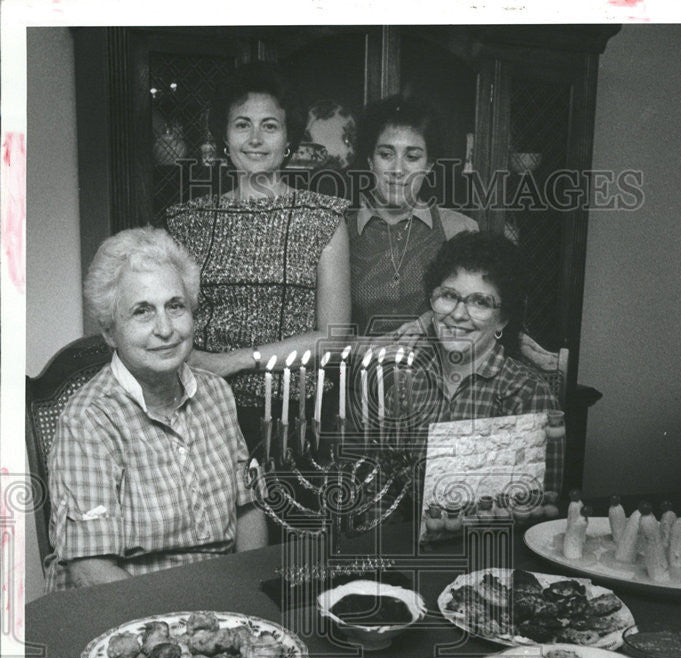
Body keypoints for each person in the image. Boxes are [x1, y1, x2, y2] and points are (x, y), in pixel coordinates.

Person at [44, 227, 266, 592]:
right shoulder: (88, 420)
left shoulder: (217, 394)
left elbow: (248, 508)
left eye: (175, 306)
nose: (165, 329)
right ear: (110, 331)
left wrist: (247, 590)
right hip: (129, 604)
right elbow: (89, 570)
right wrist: (184, 623)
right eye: (142, 312)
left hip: (222, 594)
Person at [166, 62, 350, 448]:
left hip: (298, 416)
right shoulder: (186, 222)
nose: (255, 138)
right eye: (241, 124)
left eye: (269, 125)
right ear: (224, 138)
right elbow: (169, 322)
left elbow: (333, 337)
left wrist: (233, 360)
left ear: (288, 140)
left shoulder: (324, 218)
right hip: (203, 409)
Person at [392, 231, 564, 500]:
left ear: (503, 319)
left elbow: (538, 505)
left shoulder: (527, 395)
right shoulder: (408, 378)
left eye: (480, 302)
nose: (459, 314)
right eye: (449, 296)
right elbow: (387, 485)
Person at [348, 96, 478, 338]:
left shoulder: (459, 229)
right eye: (386, 155)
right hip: (359, 371)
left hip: (439, 371)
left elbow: (478, 313)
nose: (398, 170)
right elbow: (325, 331)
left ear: (429, 165)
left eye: (412, 157)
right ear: (369, 161)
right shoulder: (341, 232)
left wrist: (430, 320)